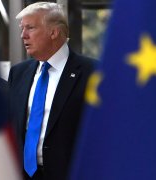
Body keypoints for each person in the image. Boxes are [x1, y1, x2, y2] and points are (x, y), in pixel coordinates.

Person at [8, 2, 95, 180]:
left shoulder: (92, 72)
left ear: (54, 32)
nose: (23, 35)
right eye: (22, 28)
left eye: (30, 28)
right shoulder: (18, 73)